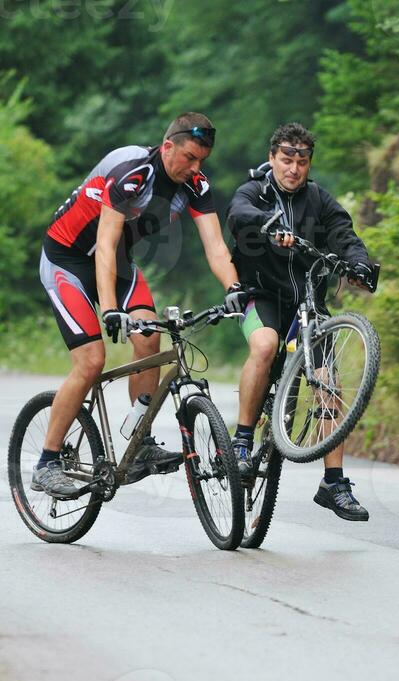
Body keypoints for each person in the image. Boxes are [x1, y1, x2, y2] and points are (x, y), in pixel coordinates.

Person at [33, 112, 246, 498]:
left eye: (202, 161)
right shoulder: (134, 171)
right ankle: (46, 461)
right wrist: (111, 308)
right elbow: (106, 241)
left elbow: (215, 246)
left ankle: (140, 439)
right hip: (68, 258)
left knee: (149, 336)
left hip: (118, 262)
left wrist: (233, 287)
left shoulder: (194, 186)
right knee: (92, 361)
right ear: (167, 147)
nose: (196, 168)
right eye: (190, 158)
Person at [226, 122, 376, 522]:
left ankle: (334, 482)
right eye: (286, 159)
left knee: (329, 380)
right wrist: (268, 226)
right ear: (273, 157)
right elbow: (239, 215)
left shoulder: (318, 200)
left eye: (302, 161)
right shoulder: (253, 192)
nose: (293, 168)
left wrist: (358, 263)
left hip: (308, 303)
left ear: (309, 164)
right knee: (264, 345)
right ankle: (241, 442)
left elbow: (345, 234)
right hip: (261, 297)